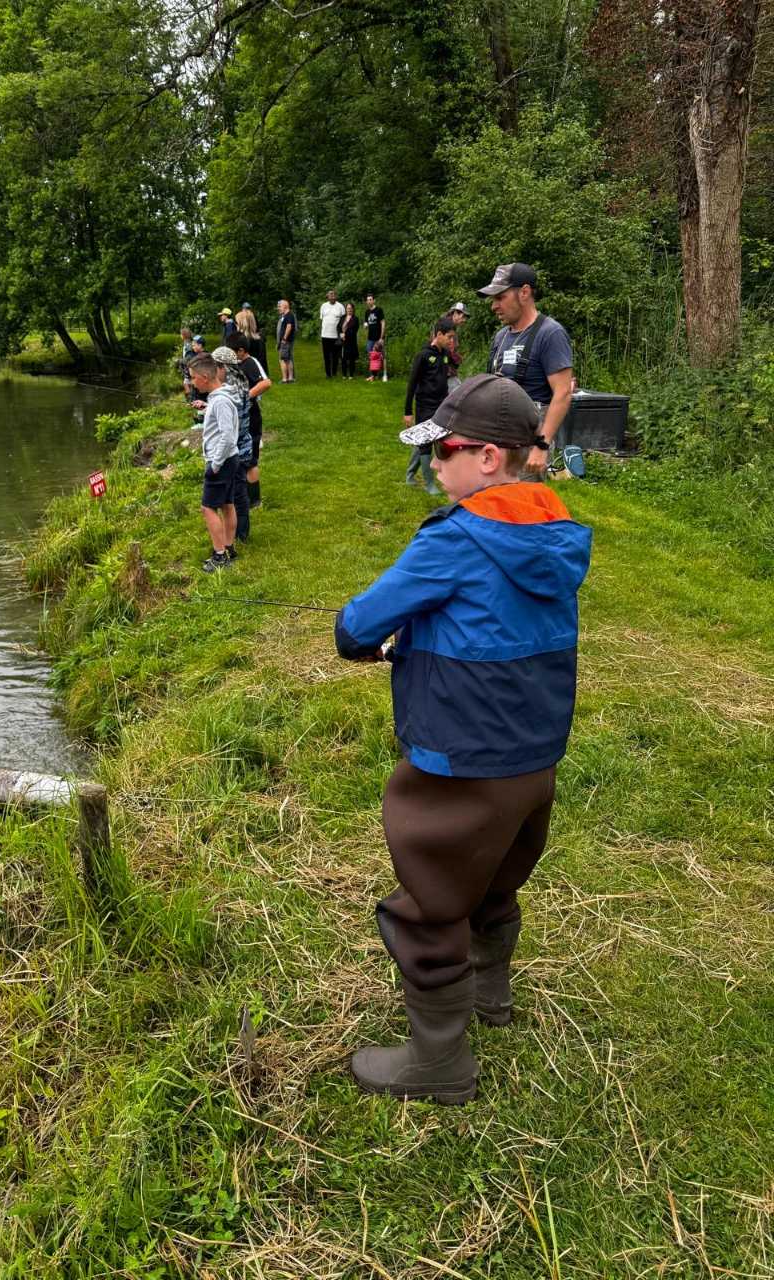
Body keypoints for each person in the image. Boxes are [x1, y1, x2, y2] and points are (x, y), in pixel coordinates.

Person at [334, 374, 592, 1104]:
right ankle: (491, 996)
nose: (434, 463)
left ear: (486, 459)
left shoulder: (455, 539)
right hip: (533, 757)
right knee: (495, 877)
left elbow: (357, 624)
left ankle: (439, 1062)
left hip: (460, 760)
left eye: (442, 449)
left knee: (430, 903)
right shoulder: (551, 530)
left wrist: (369, 642)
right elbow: (494, 620)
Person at [478, 264, 573, 473]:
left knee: (522, 504)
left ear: (524, 292)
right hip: (498, 438)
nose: (493, 306)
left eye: (500, 297)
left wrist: (542, 445)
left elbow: (563, 392)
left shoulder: (550, 333)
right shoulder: (500, 337)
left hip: (528, 444)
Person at [188, 353, 239, 573]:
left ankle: (220, 556)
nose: (191, 381)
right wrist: (206, 410)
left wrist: (215, 464)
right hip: (229, 460)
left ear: (205, 377)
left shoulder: (220, 402)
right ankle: (229, 547)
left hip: (222, 461)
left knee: (207, 508)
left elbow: (227, 436)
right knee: (227, 504)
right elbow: (220, 422)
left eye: (193, 377)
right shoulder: (217, 399)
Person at [402, 317, 457, 495]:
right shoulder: (423, 356)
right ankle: (429, 484)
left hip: (442, 404)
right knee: (425, 442)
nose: (451, 341)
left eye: (453, 337)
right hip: (424, 405)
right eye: (449, 337)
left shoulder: (445, 355)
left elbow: (451, 370)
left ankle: (410, 475)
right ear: (438, 334)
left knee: (429, 439)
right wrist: (408, 412)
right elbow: (412, 384)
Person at [211, 345, 253, 545]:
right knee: (238, 491)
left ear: (223, 367)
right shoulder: (241, 381)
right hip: (243, 443)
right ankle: (238, 532)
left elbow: (228, 426)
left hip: (235, 448)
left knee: (237, 494)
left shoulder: (230, 390)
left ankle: (240, 535)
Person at [226, 331, 271, 508]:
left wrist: (246, 397)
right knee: (241, 458)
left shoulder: (251, 363)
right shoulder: (238, 364)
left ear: (241, 350)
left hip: (251, 418)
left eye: (232, 352)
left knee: (251, 460)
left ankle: (255, 500)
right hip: (241, 419)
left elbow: (266, 383)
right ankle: (244, 495)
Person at [319, 289, 346, 378]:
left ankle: (334, 373)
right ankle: (328, 374)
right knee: (326, 356)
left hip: (336, 336)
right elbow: (322, 320)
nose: (332, 297)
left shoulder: (340, 306)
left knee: (335, 356)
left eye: (334, 295)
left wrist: (342, 333)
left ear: (336, 296)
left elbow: (343, 321)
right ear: (327, 297)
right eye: (330, 295)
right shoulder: (323, 306)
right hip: (325, 335)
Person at [445, 302, 469, 392]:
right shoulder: (447, 327)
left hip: (448, 371)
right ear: (455, 313)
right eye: (463, 316)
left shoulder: (450, 326)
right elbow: (446, 350)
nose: (465, 320)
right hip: (445, 372)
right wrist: (456, 358)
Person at [364, 293, 385, 381]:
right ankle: (373, 375)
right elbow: (366, 324)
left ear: (374, 300)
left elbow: (383, 323)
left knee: (381, 356)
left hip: (378, 337)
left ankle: (384, 374)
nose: (369, 301)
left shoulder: (379, 310)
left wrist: (381, 337)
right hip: (370, 338)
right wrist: (365, 325)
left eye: (370, 299)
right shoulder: (367, 312)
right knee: (371, 356)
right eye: (368, 300)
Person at [276, 299, 297, 383]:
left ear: (285, 306)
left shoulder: (289, 315)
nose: (278, 308)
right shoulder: (285, 315)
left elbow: (289, 327)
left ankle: (285, 379)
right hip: (286, 341)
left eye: (279, 306)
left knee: (283, 360)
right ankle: (290, 378)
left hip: (286, 341)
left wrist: (284, 339)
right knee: (288, 359)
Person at [339, 302, 360, 379]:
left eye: (351, 308)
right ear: (346, 309)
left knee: (351, 359)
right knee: (343, 358)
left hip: (351, 341)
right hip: (343, 341)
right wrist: (341, 334)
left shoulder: (355, 319)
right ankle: (344, 375)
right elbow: (338, 327)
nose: (349, 310)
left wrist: (346, 335)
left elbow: (354, 330)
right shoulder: (342, 317)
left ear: (353, 309)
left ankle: (351, 375)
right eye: (348, 308)